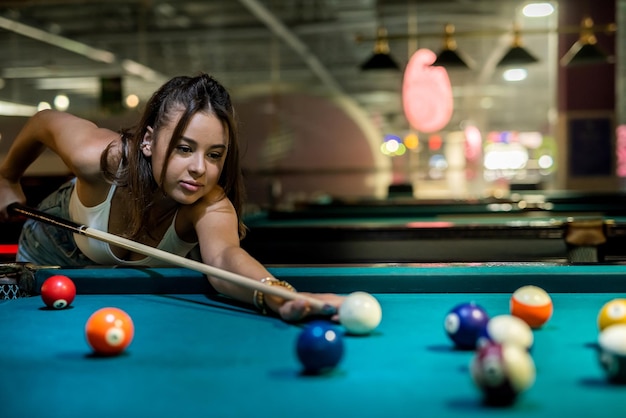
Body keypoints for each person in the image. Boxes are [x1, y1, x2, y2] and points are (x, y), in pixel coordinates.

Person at [0, 73, 342, 321]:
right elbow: (43, 122)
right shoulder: (99, 158)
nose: (199, 169)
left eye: (214, 155)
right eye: (184, 148)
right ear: (148, 141)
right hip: (53, 245)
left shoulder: (210, 205)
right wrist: (7, 177)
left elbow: (223, 259)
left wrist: (279, 295)